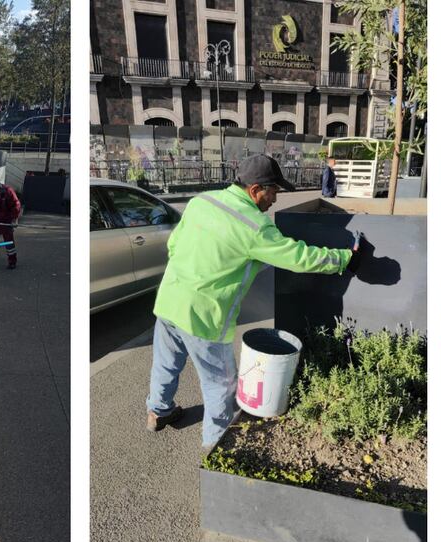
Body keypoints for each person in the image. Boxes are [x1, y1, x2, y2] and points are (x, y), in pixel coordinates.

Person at [146, 154, 363, 449]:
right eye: (273, 191)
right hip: (204, 316)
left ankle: (159, 411)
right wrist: (344, 258)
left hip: (170, 301)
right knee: (220, 386)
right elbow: (298, 257)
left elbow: (175, 245)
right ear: (255, 190)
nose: (275, 199)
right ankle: (217, 447)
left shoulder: (202, 201)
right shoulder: (254, 226)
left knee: (166, 363)